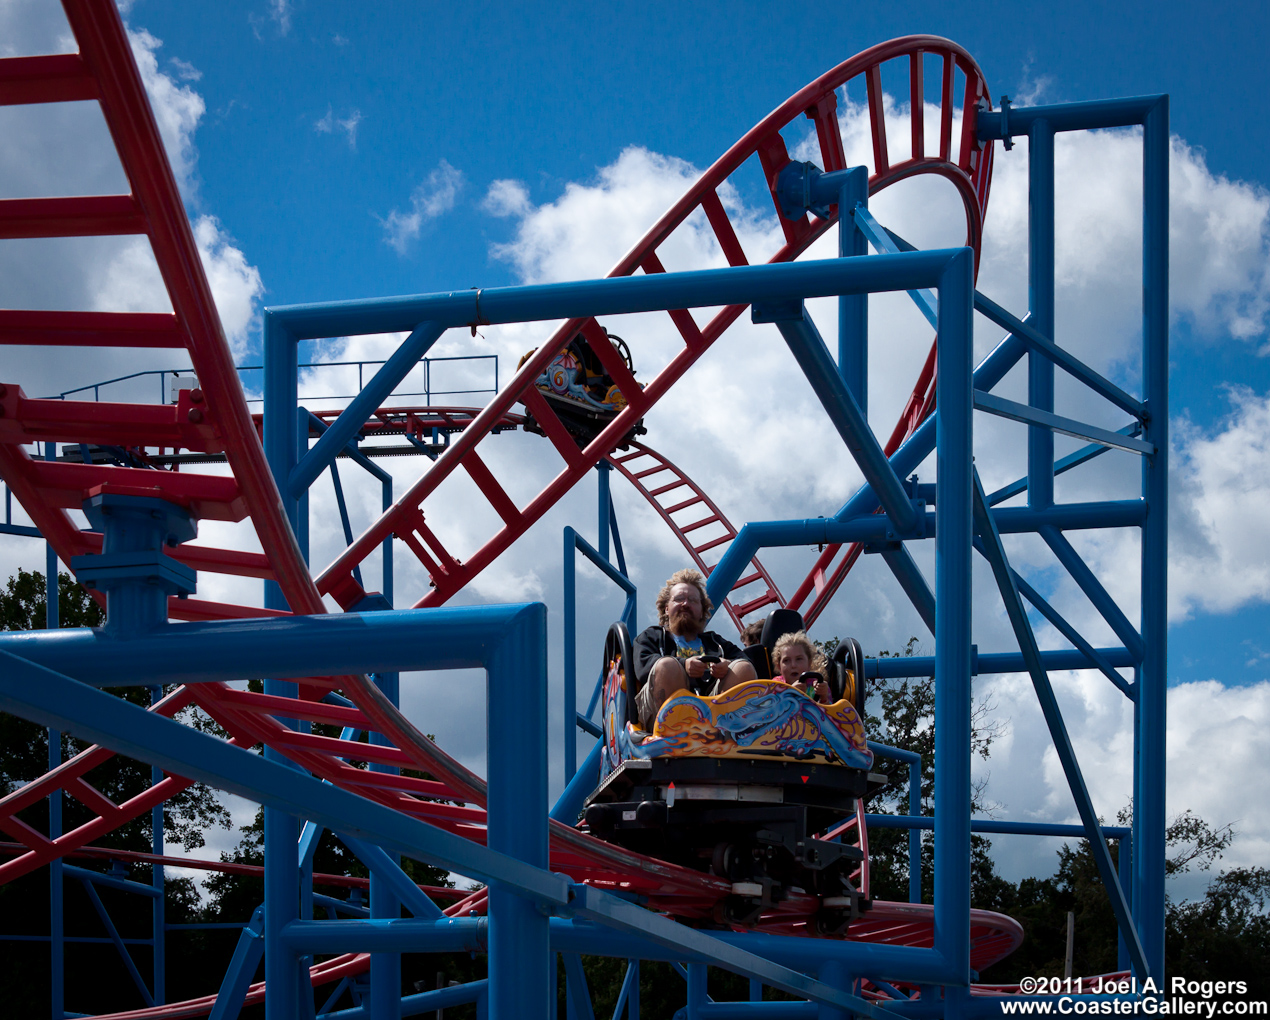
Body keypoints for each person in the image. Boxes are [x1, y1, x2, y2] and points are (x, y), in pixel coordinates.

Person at [633, 568, 758, 730]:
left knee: (743, 667)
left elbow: (747, 665)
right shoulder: (652, 636)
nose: (685, 604)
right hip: (659, 713)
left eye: (692, 600)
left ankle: (726, 734)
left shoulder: (716, 643)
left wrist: (726, 665)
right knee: (667, 666)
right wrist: (683, 664)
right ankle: (674, 733)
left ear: (702, 611)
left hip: (713, 715)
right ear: (666, 608)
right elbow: (642, 667)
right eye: (679, 599)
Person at [771, 629, 831, 704]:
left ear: (809, 663)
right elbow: (770, 711)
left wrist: (824, 697)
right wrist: (790, 692)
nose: (793, 665)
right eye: (786, 660)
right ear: (779, 667)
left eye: (799, 659)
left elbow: (829, 714)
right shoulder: (775, 686)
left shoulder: (816, 686)